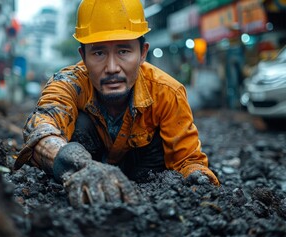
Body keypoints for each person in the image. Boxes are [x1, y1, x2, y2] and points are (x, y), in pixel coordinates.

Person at [14, 0, 219, 207]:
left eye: (123, 51)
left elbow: (188, 161)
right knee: (79, 125)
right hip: (85, 183)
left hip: (148, 187)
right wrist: (75, 161)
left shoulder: (167, 93)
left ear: (143, 53)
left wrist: (199, 182)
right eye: (99, 53)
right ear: (83, 57)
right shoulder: (68, 84)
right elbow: (42, 126)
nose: (112, 68)